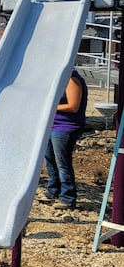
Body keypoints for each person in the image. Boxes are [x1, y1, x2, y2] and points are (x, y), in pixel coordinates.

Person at [44, 70, 87, 210]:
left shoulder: (71, 80)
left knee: (62, 163)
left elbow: (73, 106)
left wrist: (50, 107)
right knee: (50, 160)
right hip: (52, 125)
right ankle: (53, 191)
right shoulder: (58, 80)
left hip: (66, 127)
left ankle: (67, 198)